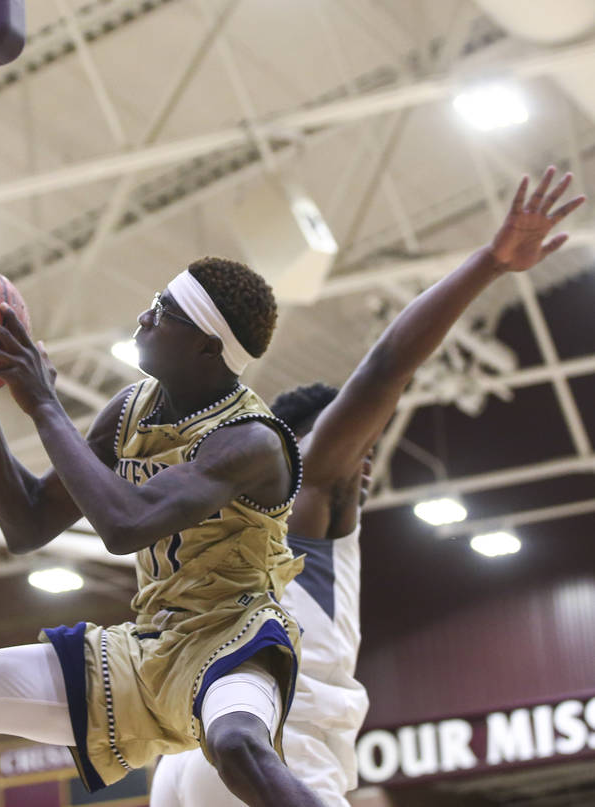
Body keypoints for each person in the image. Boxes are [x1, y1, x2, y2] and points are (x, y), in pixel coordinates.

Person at [147, 167, 585, 807]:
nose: (363, 462)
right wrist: (489, 264)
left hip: (186, 753)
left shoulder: (207, 521)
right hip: (278, 741)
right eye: (359, 445)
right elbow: (384, 370)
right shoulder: (301, 497)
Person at [0, 250, 332, 807]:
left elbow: (128, 525)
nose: (146, 317)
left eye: (165, 311)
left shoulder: (251, 440)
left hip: (233, 639)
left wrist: (46, 405)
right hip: (150, 646)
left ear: (206, 344)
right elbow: (27, 522)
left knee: (237, 744)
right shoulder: (129, 411)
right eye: (153, 303)